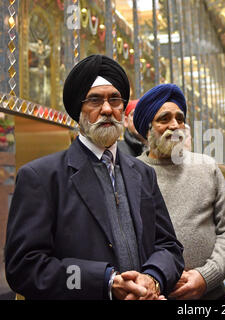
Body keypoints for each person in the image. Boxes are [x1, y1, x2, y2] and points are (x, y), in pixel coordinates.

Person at [4, 55, 184, 300]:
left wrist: (152, 279)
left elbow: (170, 247)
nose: (107, 109)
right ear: (79, 110)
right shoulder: (42, 178)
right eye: (95, 100)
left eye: (115, 99)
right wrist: (106, 282)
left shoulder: (142, 174)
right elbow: (25, 268)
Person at [133, 83, 225, 300]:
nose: (175, 125)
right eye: (164, 119)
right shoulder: (131, 174)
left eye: (180, 119)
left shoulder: (207, 167)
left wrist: (205, 277)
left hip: (212, 295)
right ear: (147, 129)